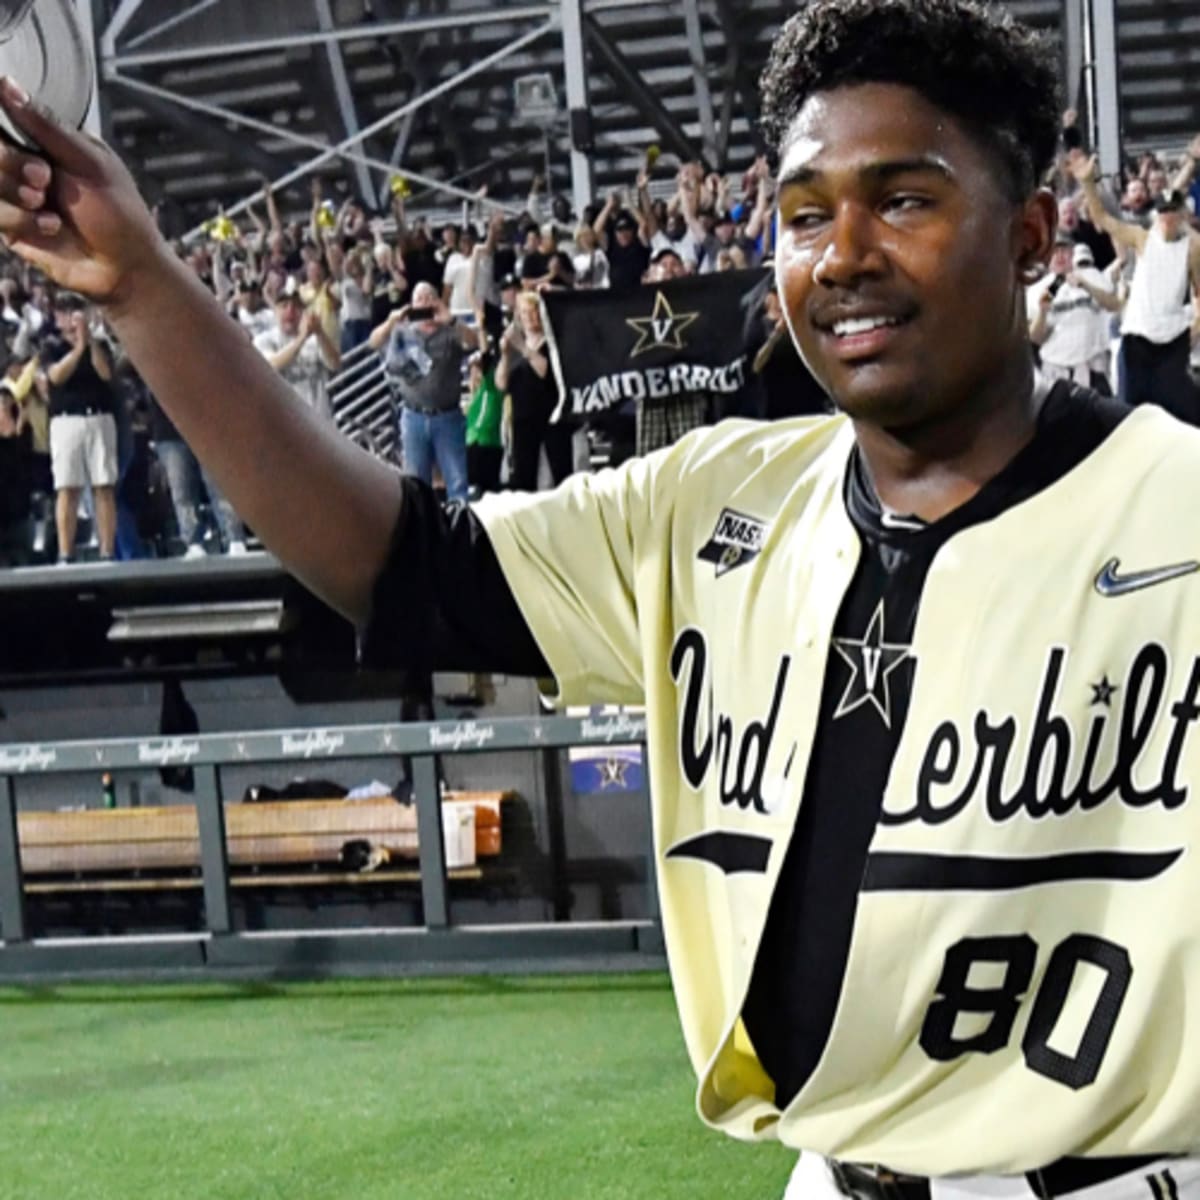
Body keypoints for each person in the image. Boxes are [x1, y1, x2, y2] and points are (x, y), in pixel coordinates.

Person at [4, 3, 1200, 1198]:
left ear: (1035, 234)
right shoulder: (710, 499)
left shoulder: (1174, 509)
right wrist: (142, 287)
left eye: (904, 200)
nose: (842, 255)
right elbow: (401, 564)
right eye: (802, 215)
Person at [1072, 162, 1200, 422]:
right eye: (1163, 212)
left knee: (1187, 416)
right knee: (1129, 416)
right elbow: (1103, 220)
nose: (1167, 218)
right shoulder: (1141, 238)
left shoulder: (1191, 249)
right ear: (1157, 214)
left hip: (1173, 341)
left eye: (1172, 212)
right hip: (1138, 338)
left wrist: (1195, 328)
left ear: (1181, 215)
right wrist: (1088, 184)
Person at [368, 281, 479, 503]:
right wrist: (391, 323)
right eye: (420, 299)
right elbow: (374, 342)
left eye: (430, 298)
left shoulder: (450, 332)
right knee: (417, 484)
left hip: (447, 415)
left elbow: (474, 342)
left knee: (457, 481)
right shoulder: (403, 332)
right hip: (413, 415)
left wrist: (451, 319)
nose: (425, 303)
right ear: (412, 304)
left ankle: (461, 529)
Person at [38, 292, 118, 561]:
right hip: (66, 420)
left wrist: (89, 342)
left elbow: (106, 373)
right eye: (64, 311)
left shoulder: (100, 343)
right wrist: (77, 348)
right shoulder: (51, 345)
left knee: (103, 485)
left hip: (98, 417)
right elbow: (56, 376)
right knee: (67, 487)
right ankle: (65, 552)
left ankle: (107, 550)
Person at [1027, 234, 1120, 393]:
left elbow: (1114, 305)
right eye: (1054, 251)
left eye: (1064, 250)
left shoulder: (1092, 277)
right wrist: (1042, 313)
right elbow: (1035, 338)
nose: (1059, 256)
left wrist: (1086, 286)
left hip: (1092, 370)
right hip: (1057, 373)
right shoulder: (1037, 290)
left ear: (1072, 253)